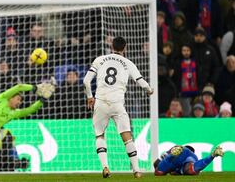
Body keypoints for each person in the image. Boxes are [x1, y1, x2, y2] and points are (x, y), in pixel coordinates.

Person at [83, 37, 153, 178]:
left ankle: (105, 167)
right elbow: (140, 81)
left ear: (111, 46)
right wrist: (149, 89)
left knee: (100, 135)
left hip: (101, 102)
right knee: (127, 137)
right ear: (124, 48)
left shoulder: (99, 59)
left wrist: (90, 97)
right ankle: (137, 170)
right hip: (117, 103)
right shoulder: (128, 63)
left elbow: (86, 81)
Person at [154, 145, 224, 176]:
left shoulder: (179, 149)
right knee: (191, 169)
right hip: (188, 158)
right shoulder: (193, 156)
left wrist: (167, 170)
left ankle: (172, 155)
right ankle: (212, 155)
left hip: (177, 152)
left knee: (159, 172)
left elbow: (156, 163)